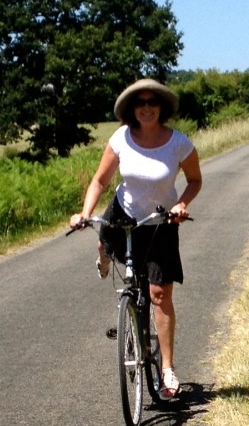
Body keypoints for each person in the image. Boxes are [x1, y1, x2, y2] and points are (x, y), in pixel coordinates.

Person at [70, 78, 202, 400]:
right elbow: (100, 180)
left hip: (159, 220)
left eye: (152, 102)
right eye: (140, 102)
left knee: (159, 294)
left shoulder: (179, 143)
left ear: (161, 107)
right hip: (123, 213)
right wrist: (83, 213)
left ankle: (167, 369)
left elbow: (195, 180)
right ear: (132, 109)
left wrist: (181, 204)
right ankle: (103, 260)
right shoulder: (121, 139)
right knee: (104, 242)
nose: (146, 107)